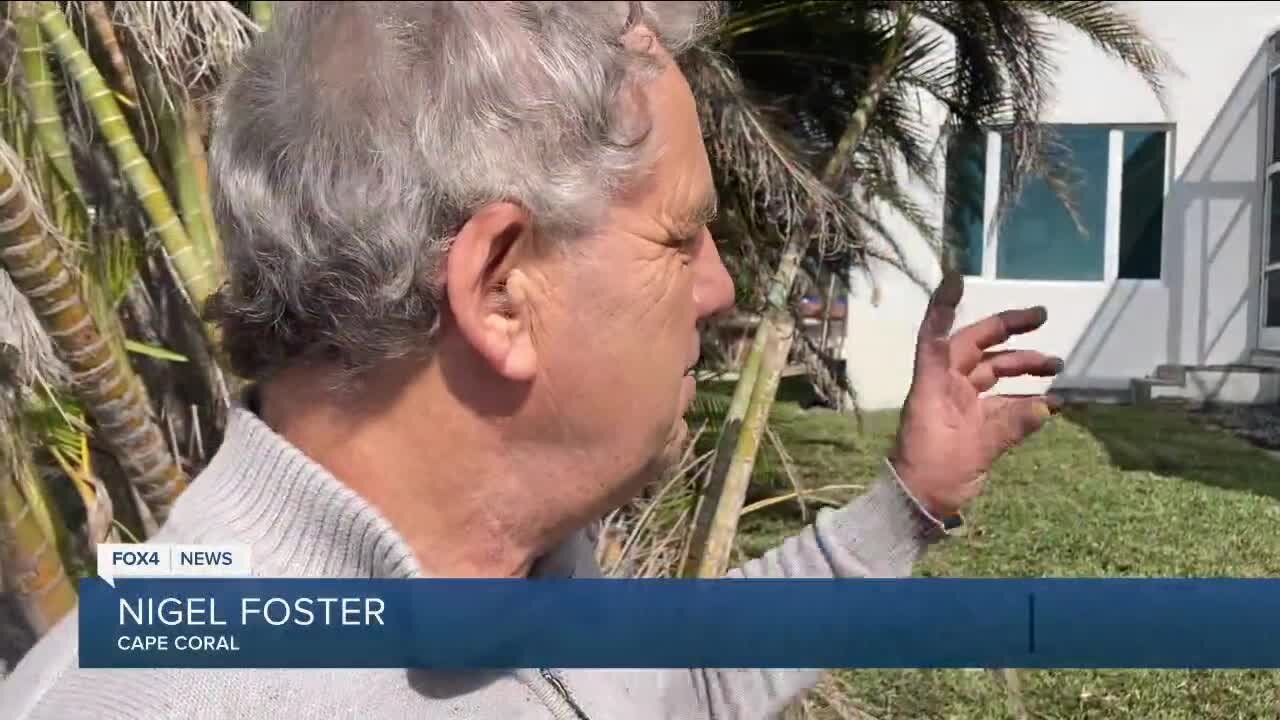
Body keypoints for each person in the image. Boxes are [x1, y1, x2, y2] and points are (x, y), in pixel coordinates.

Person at [0, 2, 1064, 718]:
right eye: (679, 237)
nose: (719, 289)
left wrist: (908, 499)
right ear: (499, 289)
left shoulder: (517, 575)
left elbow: (676, 684)